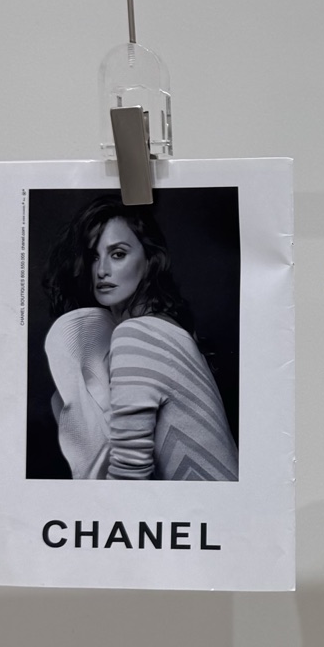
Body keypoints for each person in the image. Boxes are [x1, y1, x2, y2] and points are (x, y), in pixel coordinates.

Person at [41, 197, 238, 481]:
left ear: (148, 260)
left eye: (118, 254)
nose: (102, 270)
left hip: (203, 507)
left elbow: (129, 476)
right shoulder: (162, 329)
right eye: (93, 256)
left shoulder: (138, 334)